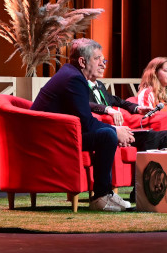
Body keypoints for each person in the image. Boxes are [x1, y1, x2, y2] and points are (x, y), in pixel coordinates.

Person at [31, 38, 134, 212]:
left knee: (107, 134)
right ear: (82, 61)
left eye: (103, 59)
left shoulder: (72, 75)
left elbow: (82, 118)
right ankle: (101, 196)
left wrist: (116, 131)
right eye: (97, 59)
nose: (102, 63)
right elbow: (86, 122)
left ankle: (105, 193)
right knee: (107, 136)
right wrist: (115, 131)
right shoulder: (73, 79)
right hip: (49, 138)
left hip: (58, 132)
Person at [88, 57, 167, 152]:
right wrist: (108, 109)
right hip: (105, 131)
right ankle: (148, 167)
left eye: (104, 61)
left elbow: (120, 101)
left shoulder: (100, 85)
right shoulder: (80, 86)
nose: (103, 65)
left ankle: (166, 166)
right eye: (98, 60)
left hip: (120, 128)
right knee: (151, 137)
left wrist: (138, 109)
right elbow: (86, 103)